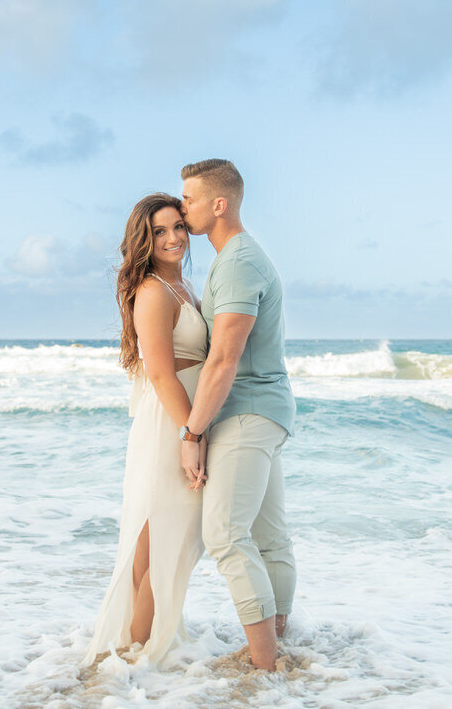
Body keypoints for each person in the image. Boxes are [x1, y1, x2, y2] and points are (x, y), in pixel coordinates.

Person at [179, 159, 297, 672]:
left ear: (218, 205)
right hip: (267, 410)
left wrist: (192, 431)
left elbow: (225, 357)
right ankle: (273, 649)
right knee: (269, 537)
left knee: (226, 536)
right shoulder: (235, 258)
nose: (184, 209)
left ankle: (264, 666)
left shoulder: (238, 262)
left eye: (190, 200)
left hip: (247, 411)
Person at [83, 193, 210, 666]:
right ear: (144, 239)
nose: (174, 237)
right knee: (162, 548)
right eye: (160, 231)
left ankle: (133, 653)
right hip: (169, 427)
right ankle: (140, 660)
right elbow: (159, 373)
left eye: (178, 226)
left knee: (153, 546)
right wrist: (190, 436)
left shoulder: (184, 286)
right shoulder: (155, 291)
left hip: (178, 422)